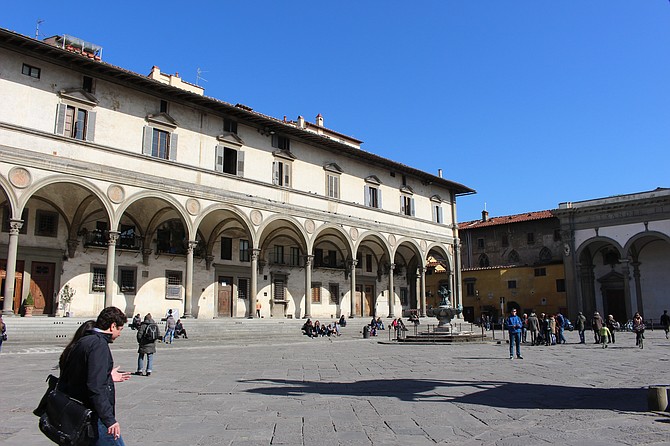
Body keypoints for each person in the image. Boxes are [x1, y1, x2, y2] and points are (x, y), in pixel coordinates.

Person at [57, 307, 131, 445]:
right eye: (120, 329)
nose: (119, 334)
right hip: (93, 416)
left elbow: (84, 375)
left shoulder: (83, 341)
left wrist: (108, 376)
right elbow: (95, 386)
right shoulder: (98, 345)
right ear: (112, 326)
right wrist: (109, 420)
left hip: (76, 412)